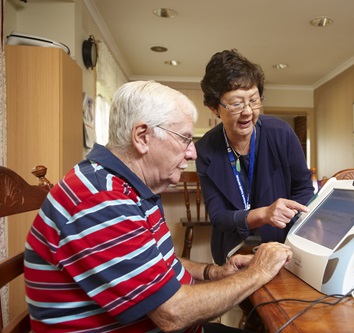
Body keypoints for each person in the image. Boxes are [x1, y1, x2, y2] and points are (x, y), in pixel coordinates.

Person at [24, 81, 293, 333]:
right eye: (185, 139)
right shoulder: (101, 199)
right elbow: (172, 312)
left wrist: (213, 272)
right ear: (142, 136)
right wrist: (259, 271)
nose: (192, 153)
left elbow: (155, 265)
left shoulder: (126, 187)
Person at [196, 49, 315, 266]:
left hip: (283, 243)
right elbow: (219, 217)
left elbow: (303, 188)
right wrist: (264, 214)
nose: (248, 111)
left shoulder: (281, 132)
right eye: (236, 104)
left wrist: (299, 227)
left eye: (254, 100)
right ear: (215, 108)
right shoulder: (205, 149)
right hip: (234, 248)